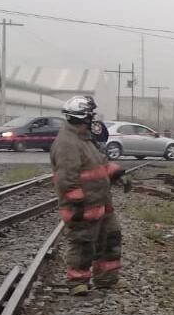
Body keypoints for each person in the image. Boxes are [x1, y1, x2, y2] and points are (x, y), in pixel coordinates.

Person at [51, 96, 127, 295]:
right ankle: (77, 281)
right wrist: (76, 205)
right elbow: (67, 178)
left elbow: (100, 163)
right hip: (84, 205)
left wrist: (117, 175)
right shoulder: (67, 143)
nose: (93, 118)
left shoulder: (84, 138)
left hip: (101, 201)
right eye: (90, 115)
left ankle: (107, 279)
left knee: (110, 237)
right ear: (82, 117)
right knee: (83, 242)